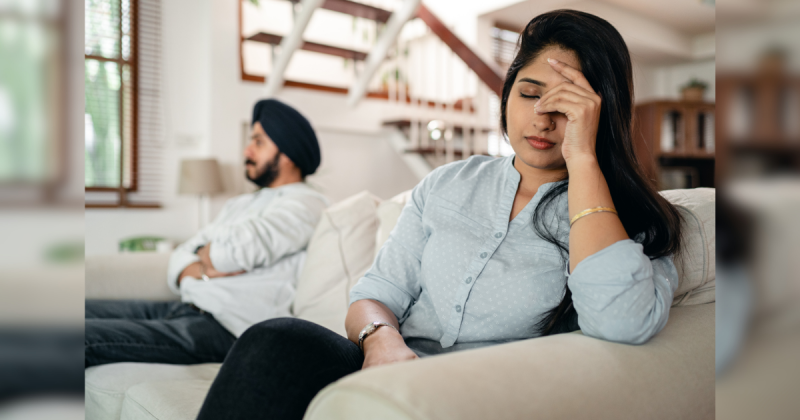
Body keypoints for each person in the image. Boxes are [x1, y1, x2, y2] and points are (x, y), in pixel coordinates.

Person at [195, 9, 683, 420]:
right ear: (507, 94)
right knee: (276, 340)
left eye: (567, 106)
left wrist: (582, 159)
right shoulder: (447, 183)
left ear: (600, 112)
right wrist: (380, 339)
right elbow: (375, 294)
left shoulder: (629, 220)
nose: (541, 118)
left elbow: (622, 322)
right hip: (386, 364)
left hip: (475, 394)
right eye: (530, 93)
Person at [85, 99, 328, 368]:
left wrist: (207, 253)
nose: (247, 150)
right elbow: (180, 255)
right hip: (185, 307)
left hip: (223, 329)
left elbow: (228, 254)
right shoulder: (242, 203)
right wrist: (203, 268)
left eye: (258, 142)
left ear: (289, 152)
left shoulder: (308, 204)